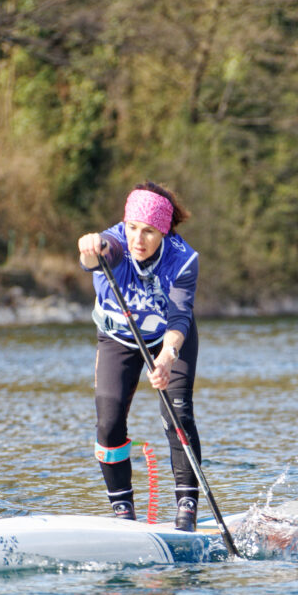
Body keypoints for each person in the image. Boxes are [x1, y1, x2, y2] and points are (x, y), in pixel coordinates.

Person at [77, 182, 203, 531]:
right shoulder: (114, 243)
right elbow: (95, 257)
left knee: (178, 416)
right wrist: (88, 248)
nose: (138, 238)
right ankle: (123, 512)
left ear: (163, 231)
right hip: (117, 339)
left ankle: (187, 506)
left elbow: (180, 318)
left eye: (148, 231)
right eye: (132, 227)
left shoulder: (183, 260)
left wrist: (167, 357)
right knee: (108, 424)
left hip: (169, 340)